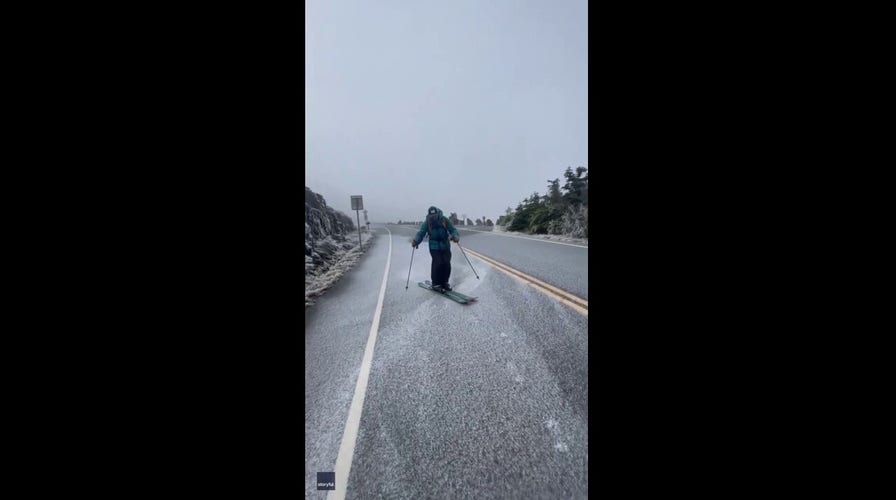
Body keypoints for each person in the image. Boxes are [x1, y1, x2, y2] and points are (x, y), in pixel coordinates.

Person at [412, 206, 460, 292]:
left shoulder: (444, 220)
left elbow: (453, 229)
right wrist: (416, 241)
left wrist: (455, 236)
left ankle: (445, 282)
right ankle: (435, 283)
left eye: (434, 215)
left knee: (446, 263)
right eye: (431, 216)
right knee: (437, 263)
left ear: (437, 214)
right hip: (434, 246)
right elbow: (421, 233)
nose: (433, 217)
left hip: (445, 245)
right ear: (429, 215)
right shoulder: (427, 222)